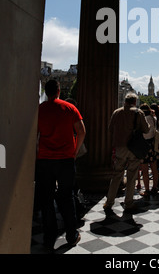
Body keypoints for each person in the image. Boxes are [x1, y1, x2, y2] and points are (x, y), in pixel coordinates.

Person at [36, 79, 86, 251]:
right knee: (67, 197)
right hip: (65, 159)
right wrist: (75, 151)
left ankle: (49, 237)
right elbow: (81, 131)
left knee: (46, 199)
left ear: (47, 91)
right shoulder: (69, 108)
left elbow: (34, 135)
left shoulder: (39, 109)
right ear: (58, 91)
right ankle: (71, 235)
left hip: (44, 160)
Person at [104, 93, 150, 213]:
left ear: (125, 101)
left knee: (117, 175)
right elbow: (146, 129)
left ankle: (109, 202)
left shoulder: (116, 112)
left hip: (120, 147)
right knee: (132, 175)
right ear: (134, 102)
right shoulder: (138, 113)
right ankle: (128, 202)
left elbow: (110, 129)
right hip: (134, 148)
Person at [139, 103, 159, 197]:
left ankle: (147, 190)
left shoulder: (142, 119)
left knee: (145, 170)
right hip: (152, 145)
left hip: (143, 145)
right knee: (154, 169)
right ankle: (155, 188)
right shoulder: (154, 119)